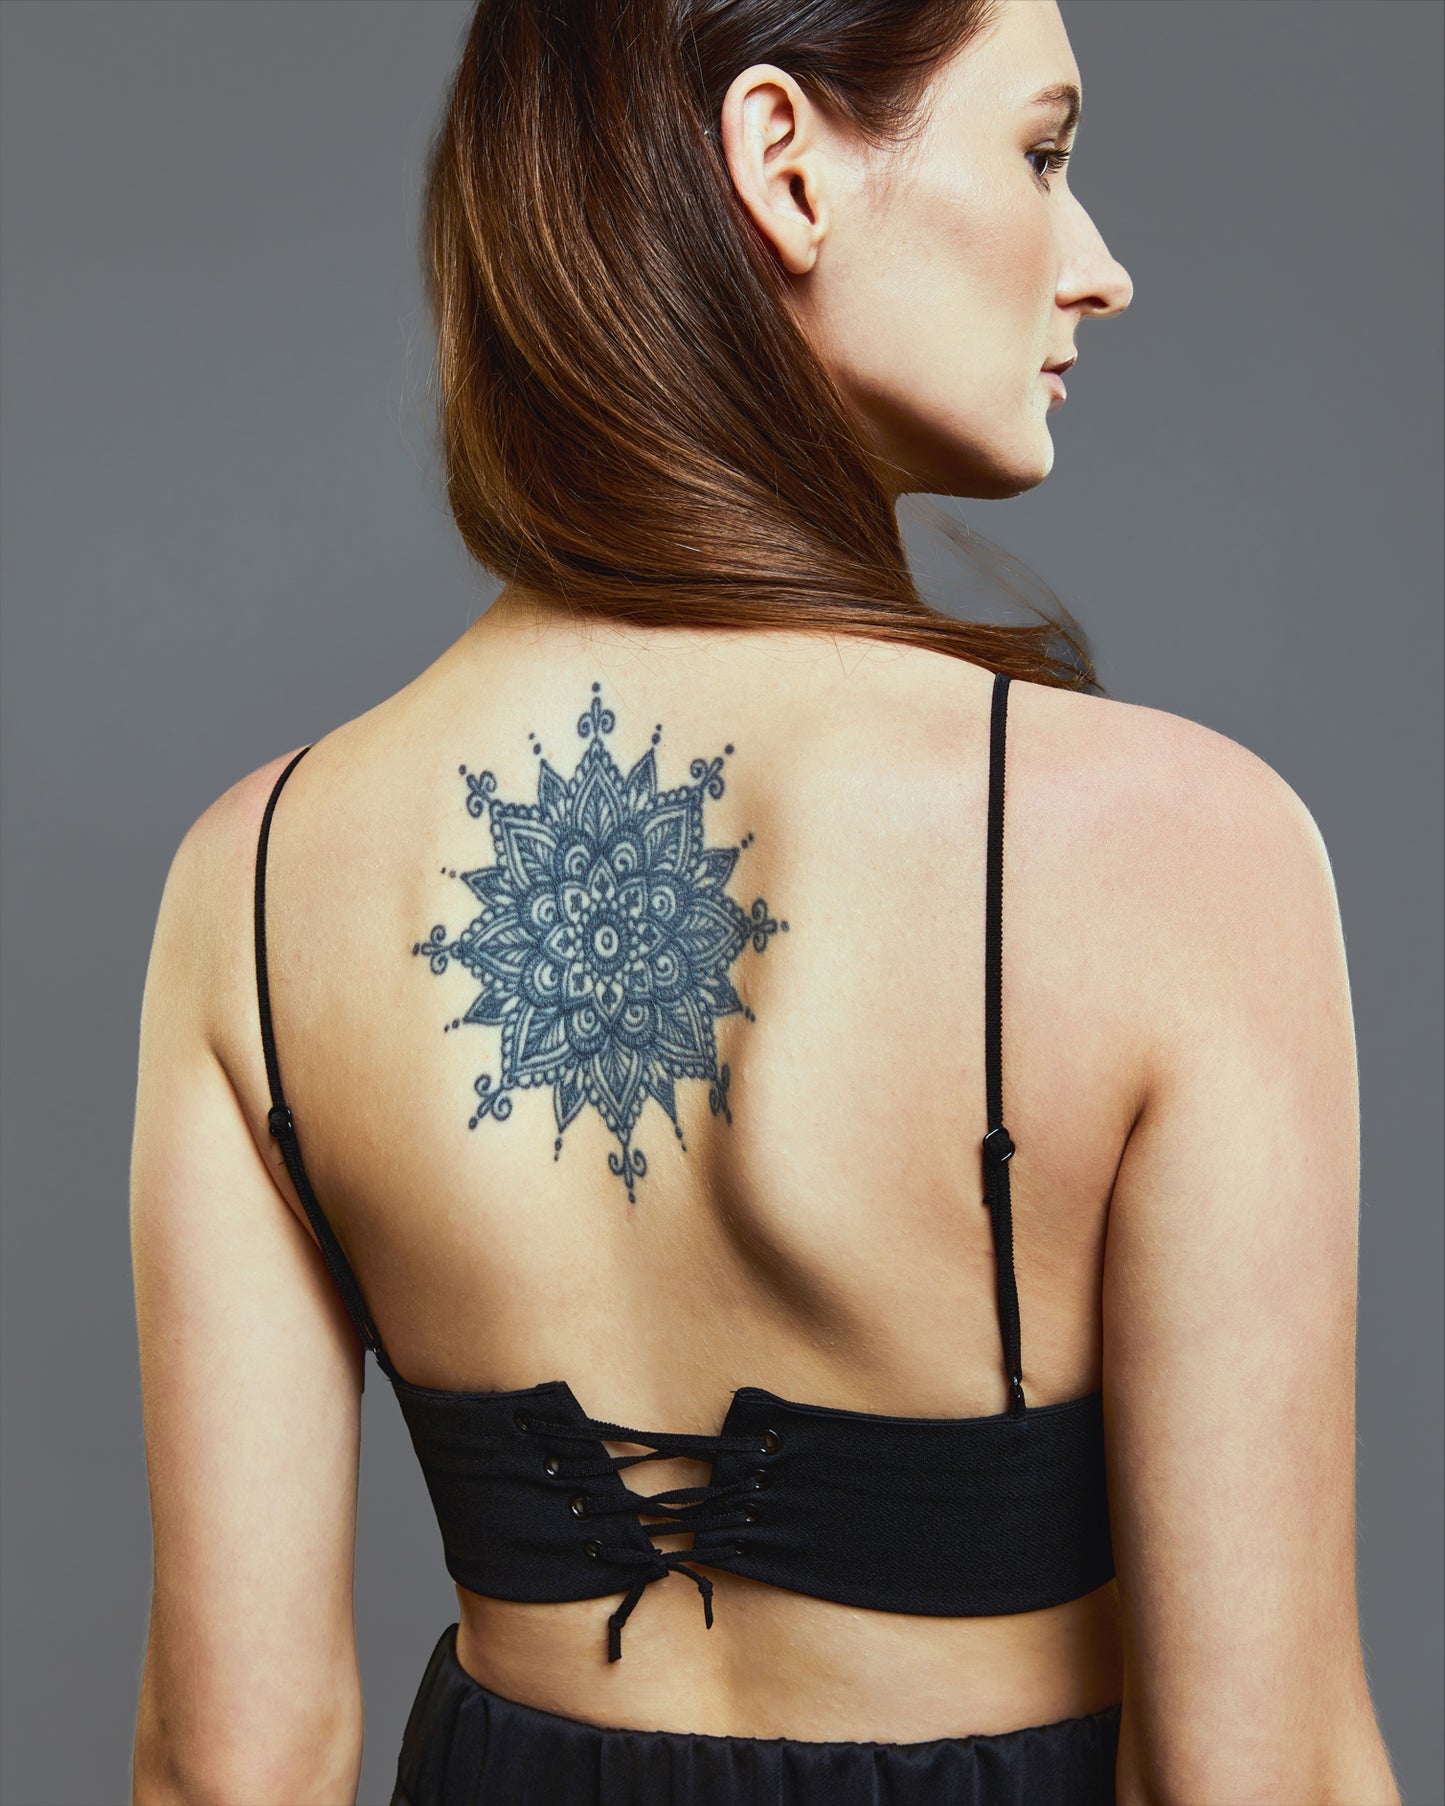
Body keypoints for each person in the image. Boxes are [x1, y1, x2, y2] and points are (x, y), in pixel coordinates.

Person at [128, 1, 1401, 1802]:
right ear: (780, 164)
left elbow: (229, 1760)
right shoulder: (1175, 851)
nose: (1098, 265)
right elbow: (1253, 1771)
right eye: (1039, 151)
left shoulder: (252, 882)